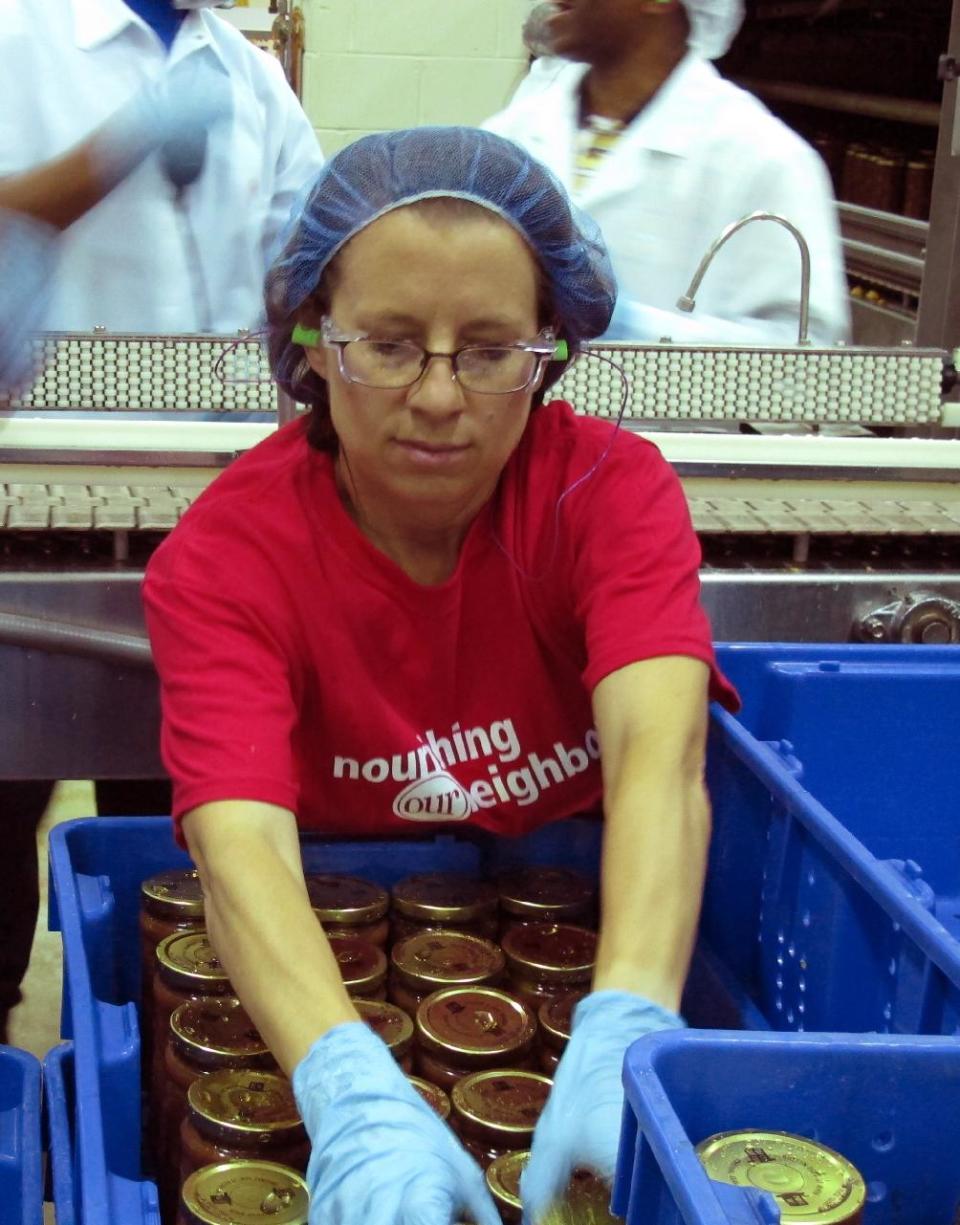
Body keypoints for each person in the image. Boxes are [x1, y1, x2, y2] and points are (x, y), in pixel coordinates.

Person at [143, 125, 739, 1225]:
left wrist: (626, 1024)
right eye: (389, 341)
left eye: (489, 348)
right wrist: (351, 1093)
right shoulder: (226, 558)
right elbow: (238, 845)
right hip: (323, 946)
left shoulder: (607, 494)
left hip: (571, 916)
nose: (436, 395)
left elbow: (663, 752)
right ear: (315, 341)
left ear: (551, 345)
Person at [0, 0, 325, 1042]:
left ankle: (147, 1058)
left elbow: (307, 260)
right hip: (28, 509)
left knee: (183, 843)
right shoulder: (20, 36)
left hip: (208, 530)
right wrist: (116, 149)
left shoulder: (250, 78)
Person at [485, 0, 850, 346]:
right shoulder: (511, 135)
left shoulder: (764, 160)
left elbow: (803, 362)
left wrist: (634, 329)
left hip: (656, 415)